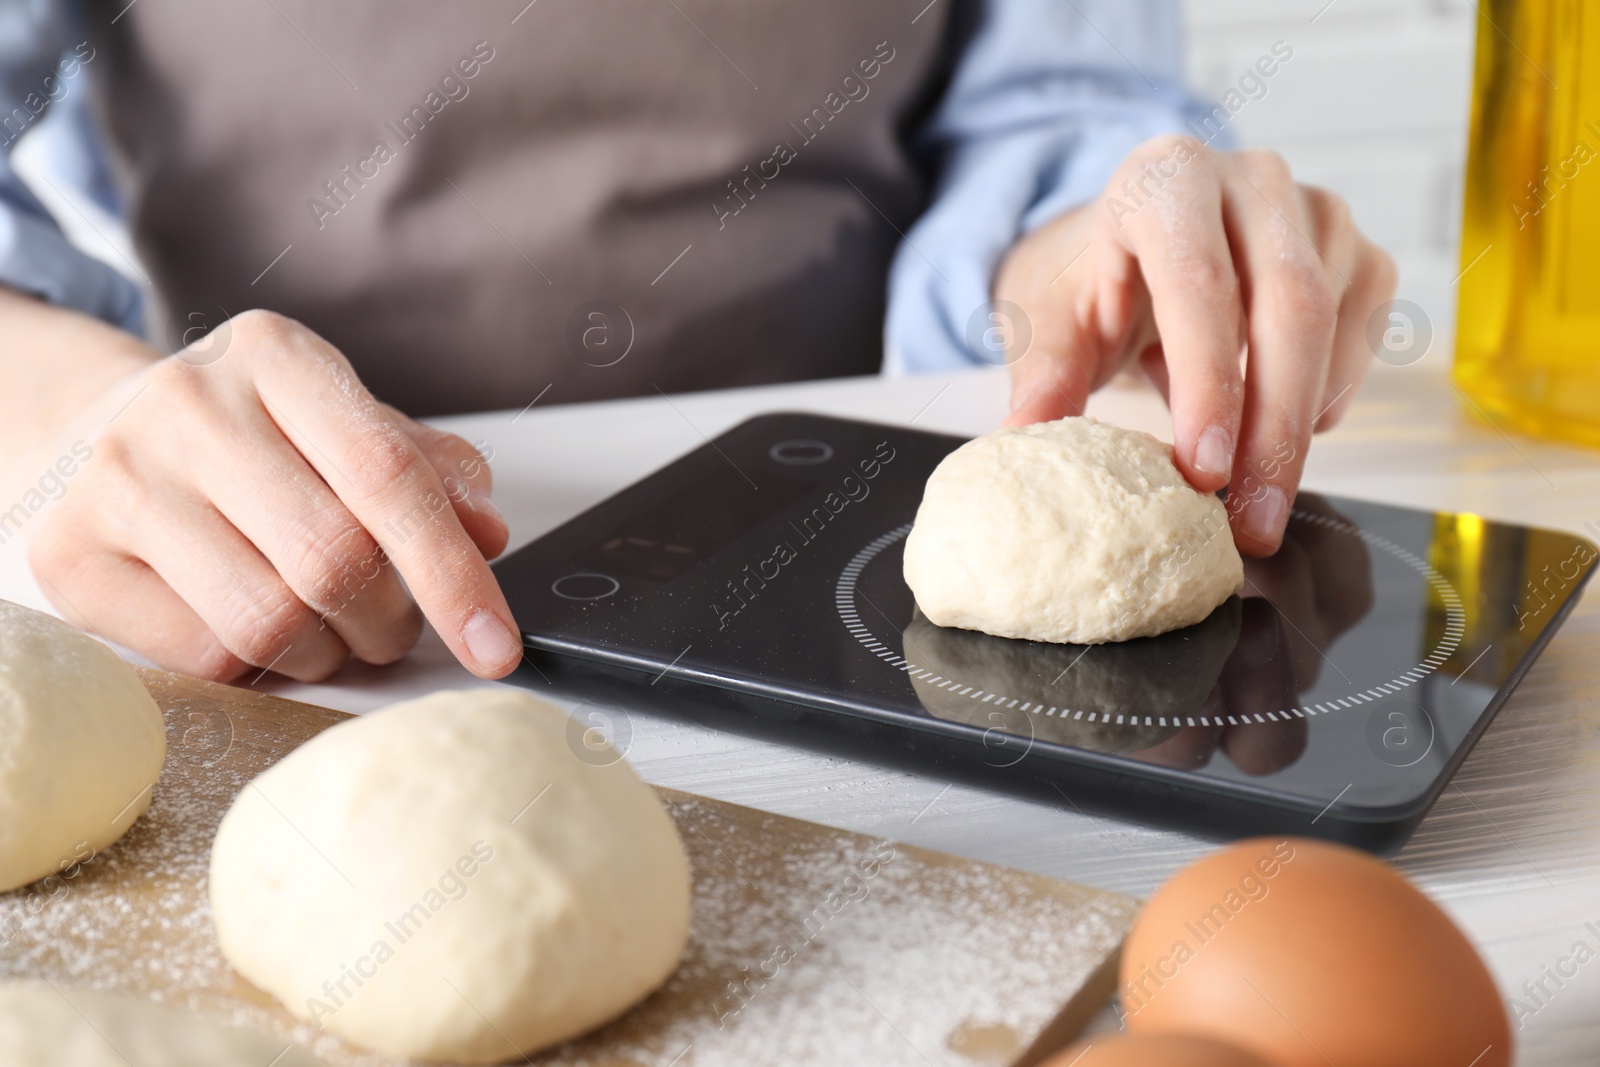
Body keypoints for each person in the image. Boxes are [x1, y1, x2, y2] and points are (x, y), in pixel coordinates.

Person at [0, 0, 1395, 684]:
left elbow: (1051, 112)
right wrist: (74, 410)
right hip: (281, 578)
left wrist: (1097, 256)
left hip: (835, 574)